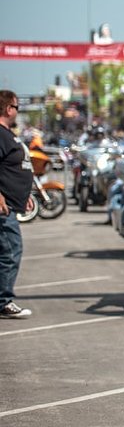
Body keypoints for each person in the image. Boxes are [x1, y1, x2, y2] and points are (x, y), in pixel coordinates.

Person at [0, 90, 34, 319]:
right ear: (7, 109)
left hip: (12, 204)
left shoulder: (6, 134)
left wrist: (24, 194)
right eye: (16, 107)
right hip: (3, 208)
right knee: (11, 251)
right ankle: (3, 302)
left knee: (7, 251)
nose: (17, 112)